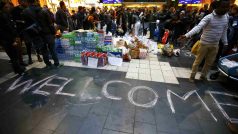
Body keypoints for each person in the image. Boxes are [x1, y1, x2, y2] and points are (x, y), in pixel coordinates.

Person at [179, 0, 230, 82]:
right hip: (204, 43)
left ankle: (203, 76)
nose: (225, 9)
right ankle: (192, 76)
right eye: (223, 7)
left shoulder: (226, 17)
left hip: (215, 44)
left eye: (227, 8)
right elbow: (198, 27)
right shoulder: (209, 17)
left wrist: (225, 42)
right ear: (217, 7)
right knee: (198, 61)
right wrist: (186, 35)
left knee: (209, 63)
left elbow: (224, 31)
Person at [0, 1, 26, 75]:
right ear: (3, 8)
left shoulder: (6, 15)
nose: (8, 8)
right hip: (8, 39)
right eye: (6, 7)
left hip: (6, 39)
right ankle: (19, 70)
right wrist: (14, 38)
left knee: (13, 55)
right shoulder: (4, 16)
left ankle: (17, 69)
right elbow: (9, 28)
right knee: (14, 55)